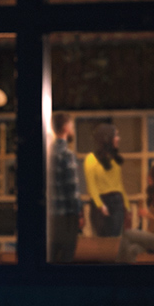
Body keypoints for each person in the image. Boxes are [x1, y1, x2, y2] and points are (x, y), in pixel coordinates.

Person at [48, 111, 85, 263]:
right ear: (65, 127)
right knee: (66, 258)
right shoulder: (66, 154)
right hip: (67, 216)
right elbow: (72, 188)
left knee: (52, 256)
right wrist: (79, 213)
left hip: (51, 215)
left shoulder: (48, 153)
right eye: (71, 125)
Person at [84, 122, 128, 237]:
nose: (119, 138)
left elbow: (119, 185)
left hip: (117, 201)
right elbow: (91, 185)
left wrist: (126, 205)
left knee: (114, 239)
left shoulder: (115, 159)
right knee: (102, 240)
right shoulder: (91, 159)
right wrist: (100, 205)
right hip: (101, 200)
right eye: (116, 135)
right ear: (107, 138)